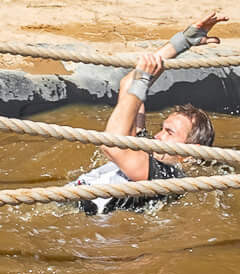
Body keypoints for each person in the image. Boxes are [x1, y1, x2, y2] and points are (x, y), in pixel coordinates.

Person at [75, 12, 225, 217]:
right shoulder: (147, 150)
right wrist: (182, 42)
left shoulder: (167, 178)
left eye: (169, 133)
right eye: (162, 129)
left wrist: (142, 81)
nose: (158, 136)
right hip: (64, 209)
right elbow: (129, 83)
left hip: (85, 230)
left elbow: (111, 145)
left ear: (190, 152)